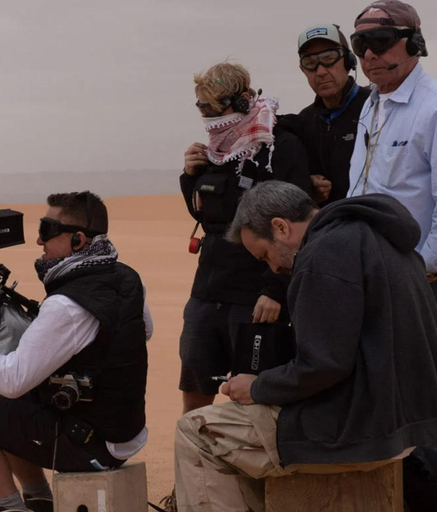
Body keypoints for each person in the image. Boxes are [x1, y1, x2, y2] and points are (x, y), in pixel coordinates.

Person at [173, 180, 437, 512]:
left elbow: (323, 365)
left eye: (265, 255)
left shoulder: (323, 254)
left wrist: (258, 387)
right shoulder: (381, 238)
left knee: (196, 432)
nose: (274, 268)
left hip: (354, 430)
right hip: (407, 425)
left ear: (280, 227)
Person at [0, 191, 151, 512]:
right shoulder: (125, 277)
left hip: (90, 443)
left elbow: (11, 378)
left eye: (47, 231)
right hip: (124, 432)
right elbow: (143, 330)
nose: (39, 241)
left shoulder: (67, 305)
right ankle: (40, 502)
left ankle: (11, 508)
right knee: (5, 404)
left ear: (78, 240)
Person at [179, 62, 312, 414]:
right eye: (200, 107)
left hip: (254, 295)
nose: (206, 116)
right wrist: (190, 177)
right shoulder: (215, 150)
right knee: (195, 381)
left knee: (252, 393)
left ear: (240, 102)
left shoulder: (278, 145)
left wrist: (274, 290)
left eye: (211, 107)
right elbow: (207, 216)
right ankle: (194, 462)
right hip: (208, 290)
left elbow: (295, 229)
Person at [346, 1, 437, 295]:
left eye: (381, 41)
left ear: (414, 44)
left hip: (419, 282)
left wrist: (423, 268)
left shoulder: (432, 107)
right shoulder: (368, 106)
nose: (369, 54)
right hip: (368, 273)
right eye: (360, 45)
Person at [283, 23, 370, 205]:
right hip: (326, 226)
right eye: (310, 63)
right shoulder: (304, 121)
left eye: (329, 58)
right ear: (302, 70)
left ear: (348, 61)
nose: (321, 71)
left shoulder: (375, 108)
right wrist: (308, 184)